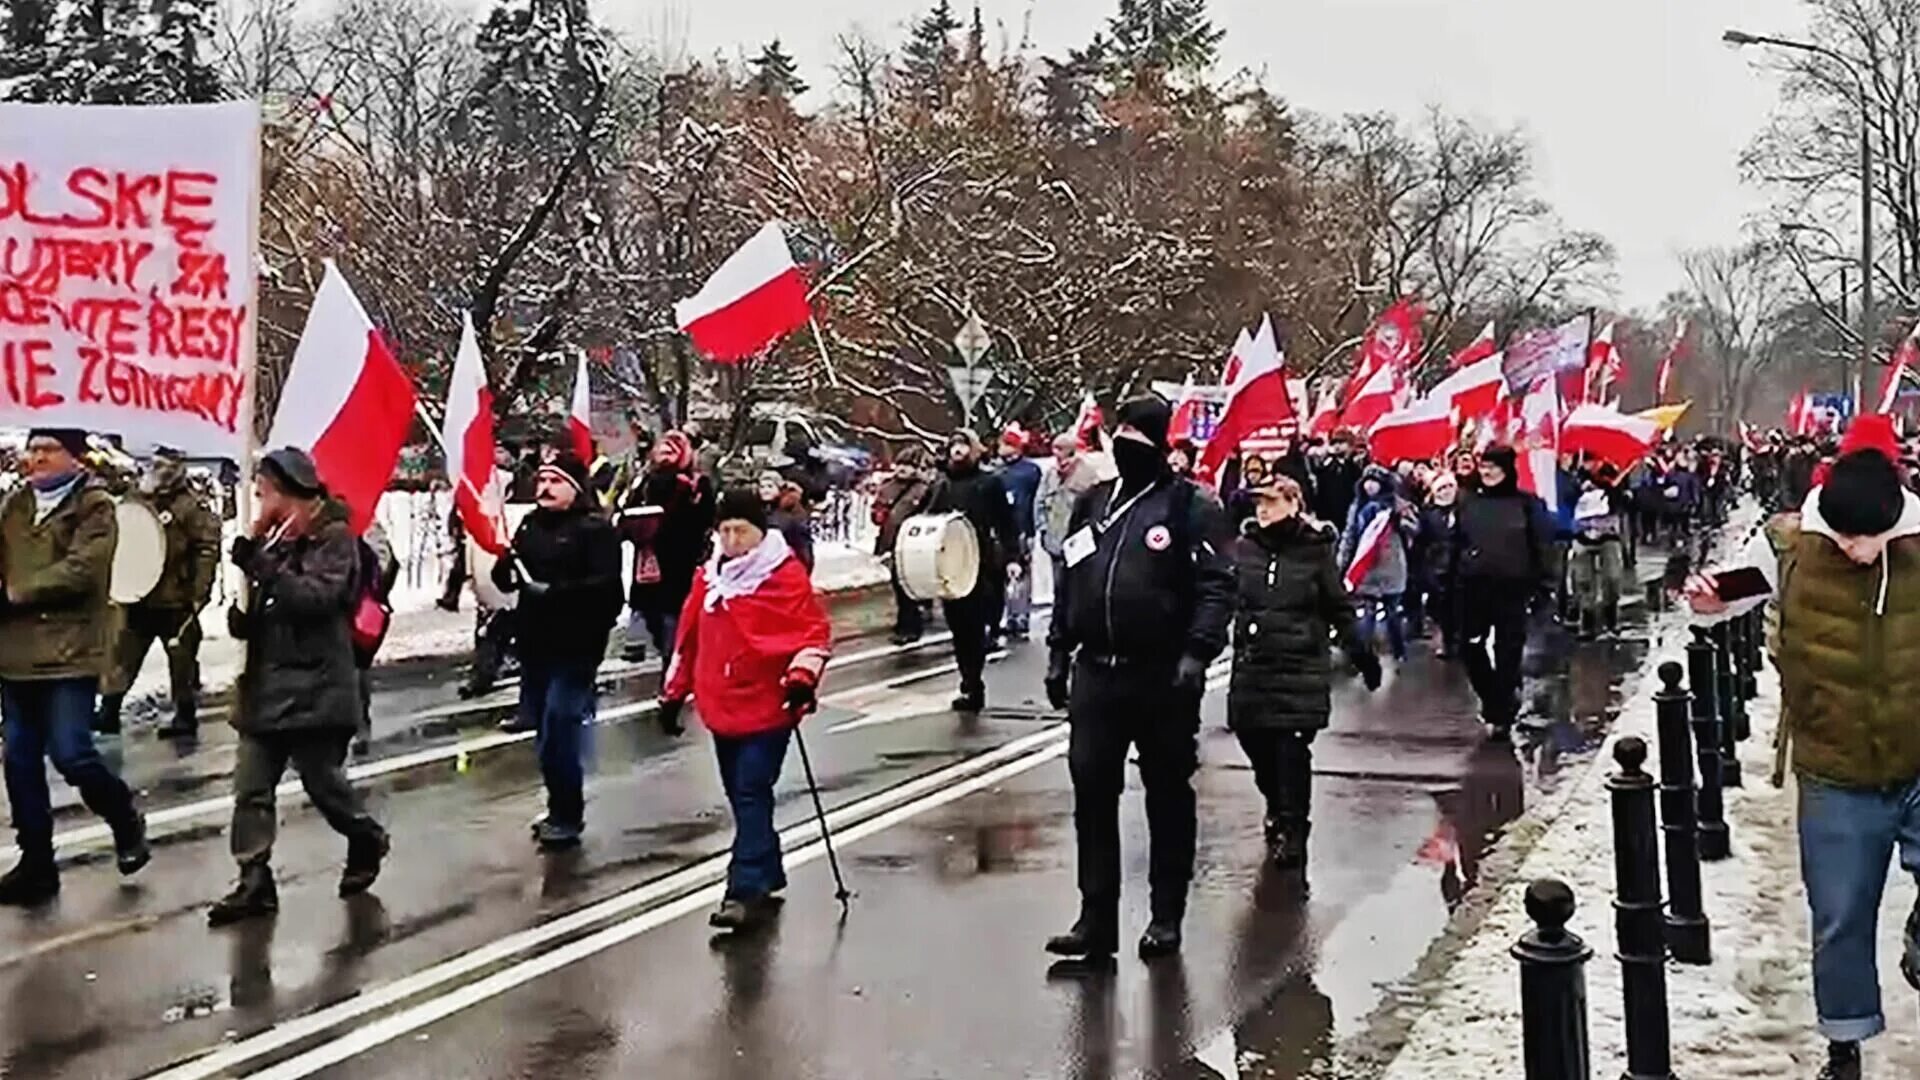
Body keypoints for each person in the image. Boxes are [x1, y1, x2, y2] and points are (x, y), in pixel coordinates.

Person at [1687, 415, 1917, 1080]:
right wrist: (1709, 596)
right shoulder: (1791, 545)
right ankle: (1844, 1044)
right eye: (1843, 536)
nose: (1854, 549)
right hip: (1834, 764)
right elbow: (1737, 590)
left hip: (1918, 752)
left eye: (1867, 538)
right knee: (1840, 914)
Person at [1043, 397, 1233, 963]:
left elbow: (1217, 584)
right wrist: (1059, 652)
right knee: (1092, 795)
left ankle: (1165, 915)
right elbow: (1070, 579)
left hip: (1161, 676)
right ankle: (1095, 919)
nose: (1124, 442)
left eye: (1136, 433)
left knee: (1168, 795)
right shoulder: (1094, 503)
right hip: (1097, 673)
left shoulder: (1187, 505)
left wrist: (1197, 653)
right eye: (1118, 431)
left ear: (1159, 442)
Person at [210, 448, 387, 924]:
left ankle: (364, 835)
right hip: (265, 686)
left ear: (286, 491)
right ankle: (253, 879)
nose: (258, 498)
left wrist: (261, 565)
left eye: (263, 490)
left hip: (317, 686)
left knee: (324, 784)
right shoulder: (275, 543)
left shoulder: (335, 539)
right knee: (251, 788)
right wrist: (244, 610)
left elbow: (316, 598)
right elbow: (268, 607)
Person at [659, 490, 832, 931]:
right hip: (721, 703)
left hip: (770, 704)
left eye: (742, 530)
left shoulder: (783, 578)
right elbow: (689, 638)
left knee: (753, 788)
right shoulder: (709, 578)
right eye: (726, 530)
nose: (733, 539)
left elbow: (813, 636)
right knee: (741, 795)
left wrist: (800, 680)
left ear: (761, 532)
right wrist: (673, 694)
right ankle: (768, 870)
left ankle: (743, 889)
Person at [0, 428, 150, 905]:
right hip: (15, 653)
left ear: (74, 457)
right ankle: (37, 864)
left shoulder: (95, 506)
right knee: (19, 760)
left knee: (71, 753)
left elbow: (83, 570)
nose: (37, 458)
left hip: (70, 652)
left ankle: (124, 817)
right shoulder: (16, 505)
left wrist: (16, 594)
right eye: (33, 449)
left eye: (48, 450)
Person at [1230, 473, 1380, 870]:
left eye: (1272, 502)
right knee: (1255, 745)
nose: (1262, 509)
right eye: (1258, 503)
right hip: (1254, 666)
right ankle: (1277, 804)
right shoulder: (1245, 548)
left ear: (1293, 504)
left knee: (1291, 752)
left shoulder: (1315, 551)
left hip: (1299, 665)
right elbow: (1223, 596)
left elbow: (1338, 605)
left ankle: (1294, 829)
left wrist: (1361, 652)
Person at [492, 453, 623, 851]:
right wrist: (505, 570)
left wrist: (559, 594)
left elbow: (609, 594)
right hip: (536, 646)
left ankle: (568, 815)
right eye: (542, 479)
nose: (545, 487)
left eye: (555, 480)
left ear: (576, 488)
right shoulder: (531, 525)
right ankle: (557, 806)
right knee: (544, 734)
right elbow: (509, 575)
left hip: (576, 647)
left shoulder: (594, 531)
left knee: (560, 726)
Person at [97, 447, 222, 739]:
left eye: (168, 465)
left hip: (176, 598)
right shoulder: (137, 499)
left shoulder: (190, 507)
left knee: (182, 659)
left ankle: (185, 714)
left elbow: (206, 550)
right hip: (140, 596)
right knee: (122, 656)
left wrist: (198, 595)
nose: (161, 470)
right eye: (158, 464)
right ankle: (109, 710)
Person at [1452, 444, 1555, 741]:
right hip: (1474, 587)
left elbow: (1542, 547)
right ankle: (1494, 700)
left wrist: (1543, 587)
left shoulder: (1527, 504)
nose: (1486, 472)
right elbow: (1456, 545)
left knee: (1507, 652)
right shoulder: (1469, 502)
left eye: (1493, 467)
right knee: (1470, 649)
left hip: (1513, 589)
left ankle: (1503, 710)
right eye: (1483, 466)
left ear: (1507, 469)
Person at [926, 429, 1017, 713]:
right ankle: (968, 678)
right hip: (948, 563)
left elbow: (1006, 523)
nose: (958, 450)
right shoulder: (941, 484)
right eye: (954, 444)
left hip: (980, 561)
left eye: (963, 444)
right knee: (958, 628)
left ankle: (973, 684)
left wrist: (1013, 556)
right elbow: (925, 519)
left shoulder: (989, 483)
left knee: (973, 627)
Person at [620, 431, 714, 665]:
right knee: (650, 614)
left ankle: (673, 667)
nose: (665, 455)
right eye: (662, 449)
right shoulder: (644, 481)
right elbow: (625, 512)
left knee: (672, 619)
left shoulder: (695, 484)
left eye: (672, 450)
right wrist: (634, 528)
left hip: (680, 561)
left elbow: (705, 518)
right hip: (649, 559)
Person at [1339, 464, 1416, 662]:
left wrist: (1400, 521)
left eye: (1375, 482)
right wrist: (1342, 562)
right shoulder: (1357, 507)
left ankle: (1398, 650)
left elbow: (1415, 528)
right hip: (1366, 567)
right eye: (1367, 482)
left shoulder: (1399, 505)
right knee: (1367, 614)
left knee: (1392, 614)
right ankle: (1363, 653)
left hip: (1392, 566)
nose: (1370, 487)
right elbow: (1350, 535)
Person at [874, 446, 935, 644]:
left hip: (912, 542)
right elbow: (877, 509)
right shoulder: (888, 486)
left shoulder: (924, 488)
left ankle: (911, 626)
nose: (901, 469)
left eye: (907, 466)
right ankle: (905, 621)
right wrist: (878, 514)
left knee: (907, 585)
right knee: (897, 584)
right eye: (899, 464)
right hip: (891, 541)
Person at [353, 521, 400, 756]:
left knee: (355, 668)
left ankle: (359, 727)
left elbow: (387, 563)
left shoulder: (366, 525)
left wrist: (375, 595)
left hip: (359, 613)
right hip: (335, 610)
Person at [1036, 433, 1097, 611]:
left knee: (1079, 586)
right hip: (1054, 540)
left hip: (1078, 541)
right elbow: (1039, 502)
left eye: (1060, 449)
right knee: (1058, 586)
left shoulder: (1088, 475)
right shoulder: (1050, 475)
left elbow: (1095, 507)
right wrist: (1042, 528)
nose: (1057, 454)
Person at [1569, 463, 1631, 639]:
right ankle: (1587, 622)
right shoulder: (1575, 479)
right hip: (1581, 536)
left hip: (1608, 537)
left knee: (1612, 578)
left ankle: (1611, 619)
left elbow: (1624, 502)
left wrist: (1612, 488)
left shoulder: (1612, 475)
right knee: (1583, 581)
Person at [997, 429, 1043, 639]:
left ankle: (1021, 616)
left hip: (1022, 527)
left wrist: (1033, 529)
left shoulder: (1029, 471)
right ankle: (1009, 615)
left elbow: (1035, 501)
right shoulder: (997, 471)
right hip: (1002, 530)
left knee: (1021, 574)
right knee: (1004, 575)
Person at [1414, 471, 1463, 658]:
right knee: (1440, 608)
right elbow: (1421, 541)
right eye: (1442, 488)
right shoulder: (1428, 513)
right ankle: (1446, 640)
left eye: (1450, 487)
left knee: (1459, 606)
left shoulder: (1464, 510)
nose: (1446, 492)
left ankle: (1458, 641)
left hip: (1459, 565)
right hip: (1436, 566)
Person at [758, 470, 815, 573]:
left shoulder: (791, 512)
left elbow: (802, 546)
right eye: (762, 487)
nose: (765, 490)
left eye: (770, 486)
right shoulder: (758, 510)